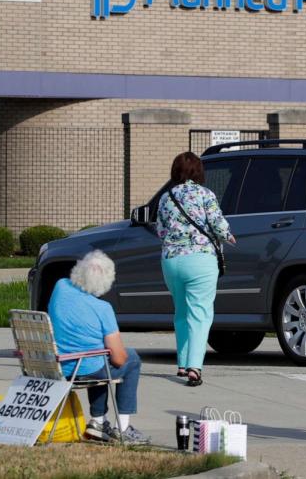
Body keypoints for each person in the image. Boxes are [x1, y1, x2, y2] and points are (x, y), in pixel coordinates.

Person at [49, 250, 151, 444]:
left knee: (98, 358)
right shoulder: (103, 309)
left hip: (57, 365)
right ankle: (122, 427)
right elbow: (119, 359)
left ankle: (97, 422)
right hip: (83, 369)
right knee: (131, 359)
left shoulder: (60, 287)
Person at [157, 151, 236, 387]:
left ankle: (182, 363)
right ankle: (194, 368)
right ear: (199, 172)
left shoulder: (165, 197)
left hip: (171, 260)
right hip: (200, 259)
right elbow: (217, 223)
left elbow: (160, 230)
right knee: (200, 314)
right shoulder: (204, 194)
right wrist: (229, 236)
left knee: (181, 311)